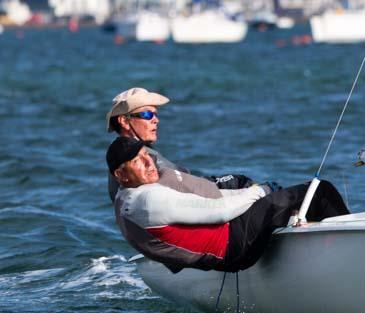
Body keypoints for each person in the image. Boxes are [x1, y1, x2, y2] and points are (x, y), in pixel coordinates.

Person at [107, 137, 349, 273]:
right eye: (137, 161)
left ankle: (312, 247)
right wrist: (261, 191)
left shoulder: (124, 200)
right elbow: (220, 210)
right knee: (319, 191)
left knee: (281, 203)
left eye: (147, 155)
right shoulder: (149, 200)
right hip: (235, 244)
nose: (149, 163)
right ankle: (348, 255)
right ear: (121, 174)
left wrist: (252, 193)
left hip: (222, 254)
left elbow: (213, 201)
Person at [105, 87, 255, 201]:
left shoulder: (117, 158)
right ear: (124, 121)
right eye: (147, 114)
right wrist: (231, 183)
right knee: (245, 183)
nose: (155, 120)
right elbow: (184, 185)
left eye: (156, 114)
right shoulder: (137, 159)